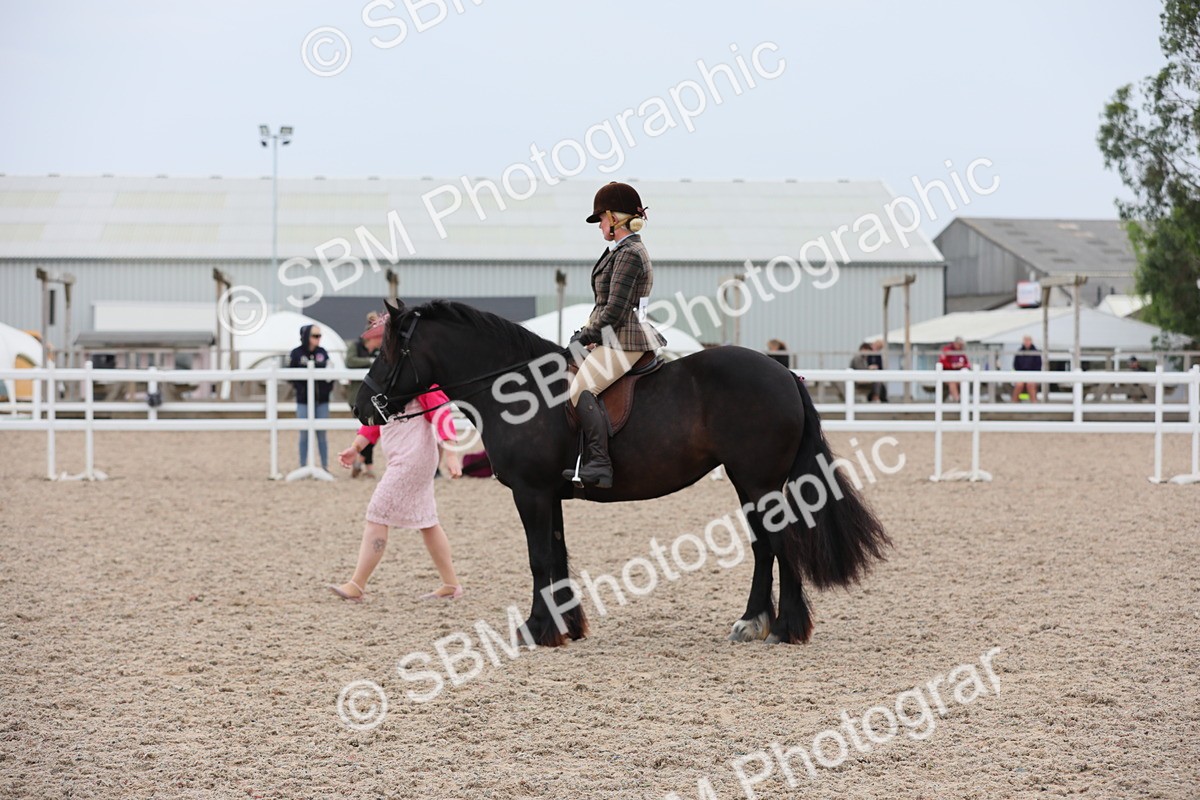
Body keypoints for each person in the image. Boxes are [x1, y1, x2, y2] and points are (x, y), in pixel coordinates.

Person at [563, 181, 666, 489]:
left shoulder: (630, 254)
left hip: (626, 338)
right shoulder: (619, 251)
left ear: (616, 218)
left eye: (602, 220)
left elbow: (615, 311)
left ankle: (600, 464)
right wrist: (586, 333)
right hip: (612, 335)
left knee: (581, 390)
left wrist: (585, 337)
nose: (600, 226)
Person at [328, 382, 465, 602]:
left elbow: (441, 414)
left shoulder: (420, 379)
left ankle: (357, 585)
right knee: (427, 521)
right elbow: (374, 421)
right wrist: (355, 448)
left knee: (377, 513)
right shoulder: (389, 379)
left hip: (412, 459)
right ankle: (451, 585)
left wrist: (450, 454)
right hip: (406, 458)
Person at [289, 324, 333, 470]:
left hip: (322, 400)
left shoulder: (323, 352)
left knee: (322, 434)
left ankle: (325, 466)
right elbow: (291, 376)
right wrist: (302, 390)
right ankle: (302, 465)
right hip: (303, 401)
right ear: (306, 336)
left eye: (319, 335)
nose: (318, 338)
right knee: (304, 434)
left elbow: (330, 373)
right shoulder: (296, 353)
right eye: (315, 335)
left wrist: (326, 388)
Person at [346, 312, 384, 478]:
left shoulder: (380, 349)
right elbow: (350, 361)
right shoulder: (356, 346)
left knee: (369, 430)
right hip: (358, 396)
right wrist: (369, 363)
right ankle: (365, 463)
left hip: (374, 396)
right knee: (367, 429)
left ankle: (363, 462)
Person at [938, 336, 970, 402]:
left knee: (964, 380)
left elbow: (967, 364)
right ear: (955, 343)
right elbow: (942, 363)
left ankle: (963, 401)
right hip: (947, 374)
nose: (961, 346)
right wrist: (953, 366)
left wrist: (962, 366)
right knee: (952, 382)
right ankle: (957, 400)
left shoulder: (961, 352)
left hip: (959, 375)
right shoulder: (947, 350)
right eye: (960, 344)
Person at [1011, 335, 1041, 402]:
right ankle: (1013, 405)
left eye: (1028, 340)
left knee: (1030, 384)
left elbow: (1038, 366)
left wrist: (1031, 375)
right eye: (1025, 340)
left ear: (1031, 341)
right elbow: (1015, 365)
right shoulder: (1019, 352)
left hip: (1032, 376)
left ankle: (1034, 406)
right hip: (1021, 376)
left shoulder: (1036, 352)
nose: (1027, 342)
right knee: (1019, 385)